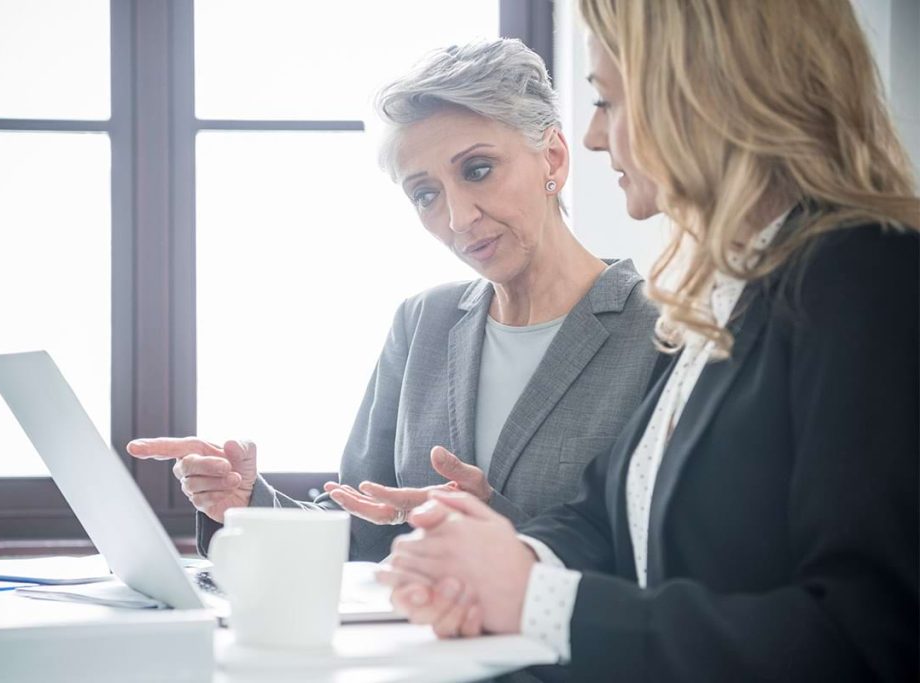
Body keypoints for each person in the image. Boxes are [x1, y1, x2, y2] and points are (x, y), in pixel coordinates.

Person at [381, 1, 920, 680]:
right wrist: (501, 557)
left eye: (606, 100)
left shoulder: (870, 277)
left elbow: (870, 638)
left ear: (703, 94)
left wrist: (535, 598)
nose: (597, 136)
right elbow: (605, 517)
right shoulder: (724, 297)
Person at [127, 38, 661, 561]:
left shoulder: (659, 332)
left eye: (478, 170)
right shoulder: (423, 323)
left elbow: (656, 558)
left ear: (553, 157)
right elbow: (366, 531)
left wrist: (497, 526)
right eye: (425, 194)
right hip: (412, 646)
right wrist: (247, 505)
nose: (457, 218)